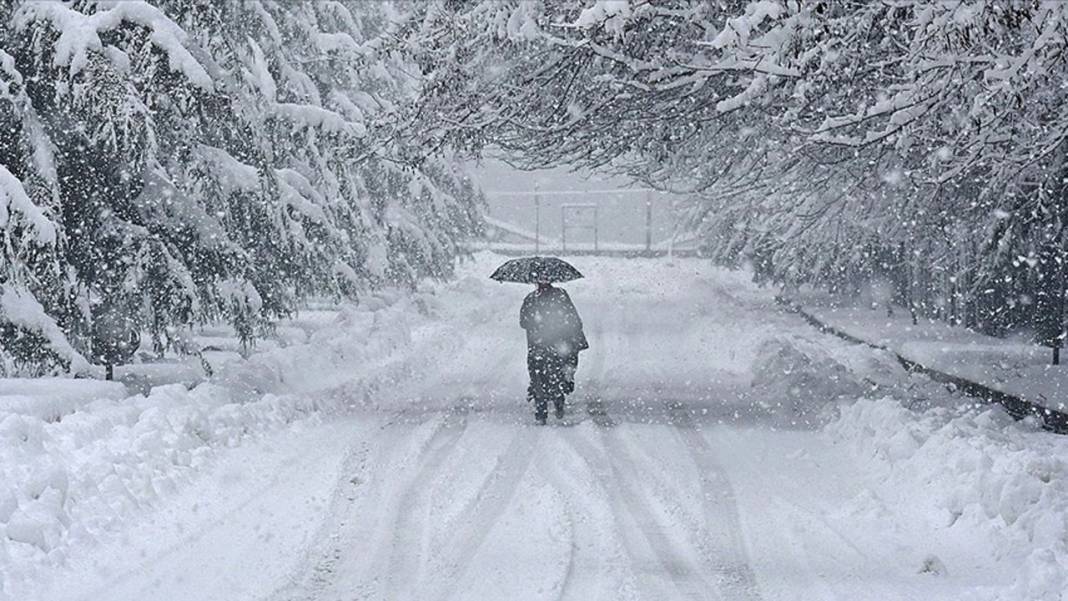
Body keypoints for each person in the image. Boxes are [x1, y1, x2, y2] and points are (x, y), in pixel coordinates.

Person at [520, 280, 588, 424]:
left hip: (538, 346)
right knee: (556, 375)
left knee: (538, 377)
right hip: (557, 345)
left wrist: (537, 323)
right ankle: (558, 402)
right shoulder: (560, 296)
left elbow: (523, 322)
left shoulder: (531, 299)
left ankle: (541, 411)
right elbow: (573, 319)